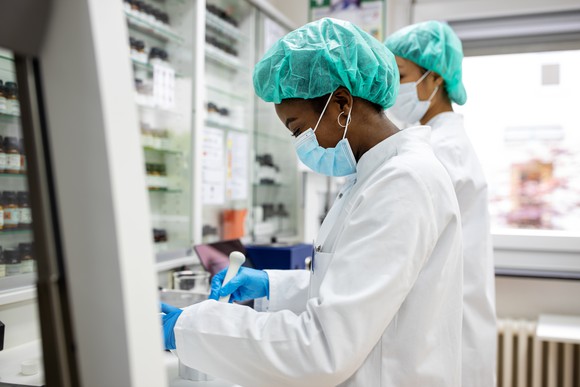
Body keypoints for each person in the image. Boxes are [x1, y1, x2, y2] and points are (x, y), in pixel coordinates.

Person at [161, 17, 464, 386]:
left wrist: (188, 327)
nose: (300, 144)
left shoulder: (402, 182)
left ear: (341, 102)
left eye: (298, 128)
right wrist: (272, 286)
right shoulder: (372, 176)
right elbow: (357, 286)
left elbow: (323, 348)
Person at [385, 20, 497, 387]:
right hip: (449, 326)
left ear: (434, 80)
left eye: (400, 75)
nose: (392, 89)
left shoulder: (443, 150)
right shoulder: (434, 142)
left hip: (449, 332)